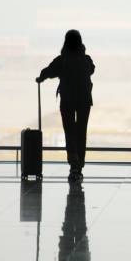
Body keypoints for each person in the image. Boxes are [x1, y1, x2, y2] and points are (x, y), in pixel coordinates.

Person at [36, 30, 95, 182]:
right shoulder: (86, 59)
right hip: (84, 101)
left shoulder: (62, 60)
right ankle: (79, 165)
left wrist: (41, 77)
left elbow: (49, 71)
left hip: (67, 100)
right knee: (81, 131)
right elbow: (92, 69)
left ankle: (74, 164)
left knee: (69, 131)